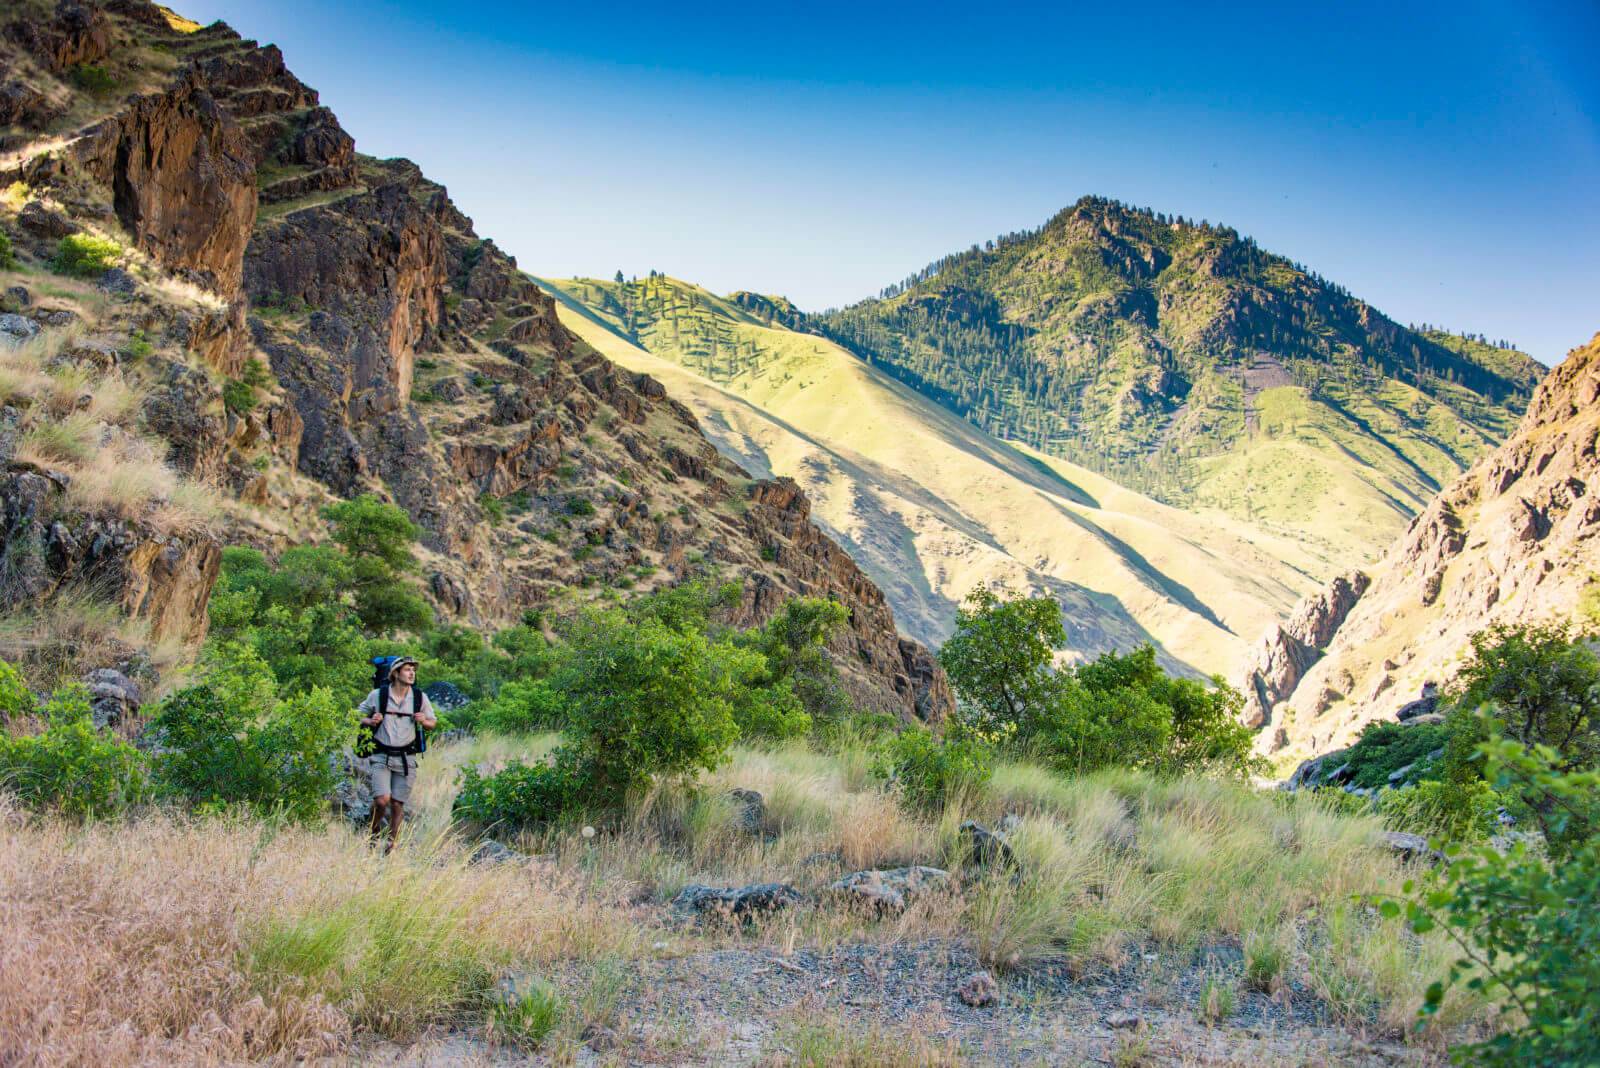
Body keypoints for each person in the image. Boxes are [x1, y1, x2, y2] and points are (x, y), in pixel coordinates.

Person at [358, 656, 436, 852]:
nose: (412, 673)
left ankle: (391, 844)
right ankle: (373, 833)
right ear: (395, 673)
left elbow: (432, 723)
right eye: (407, 669)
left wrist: (423, 720)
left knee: (397, 804)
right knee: (381, 800)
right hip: (381, 755)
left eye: (413, 670)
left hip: (406, 757)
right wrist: (370, 720)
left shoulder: (419, 697)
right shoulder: (378, 695)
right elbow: (357, 715)